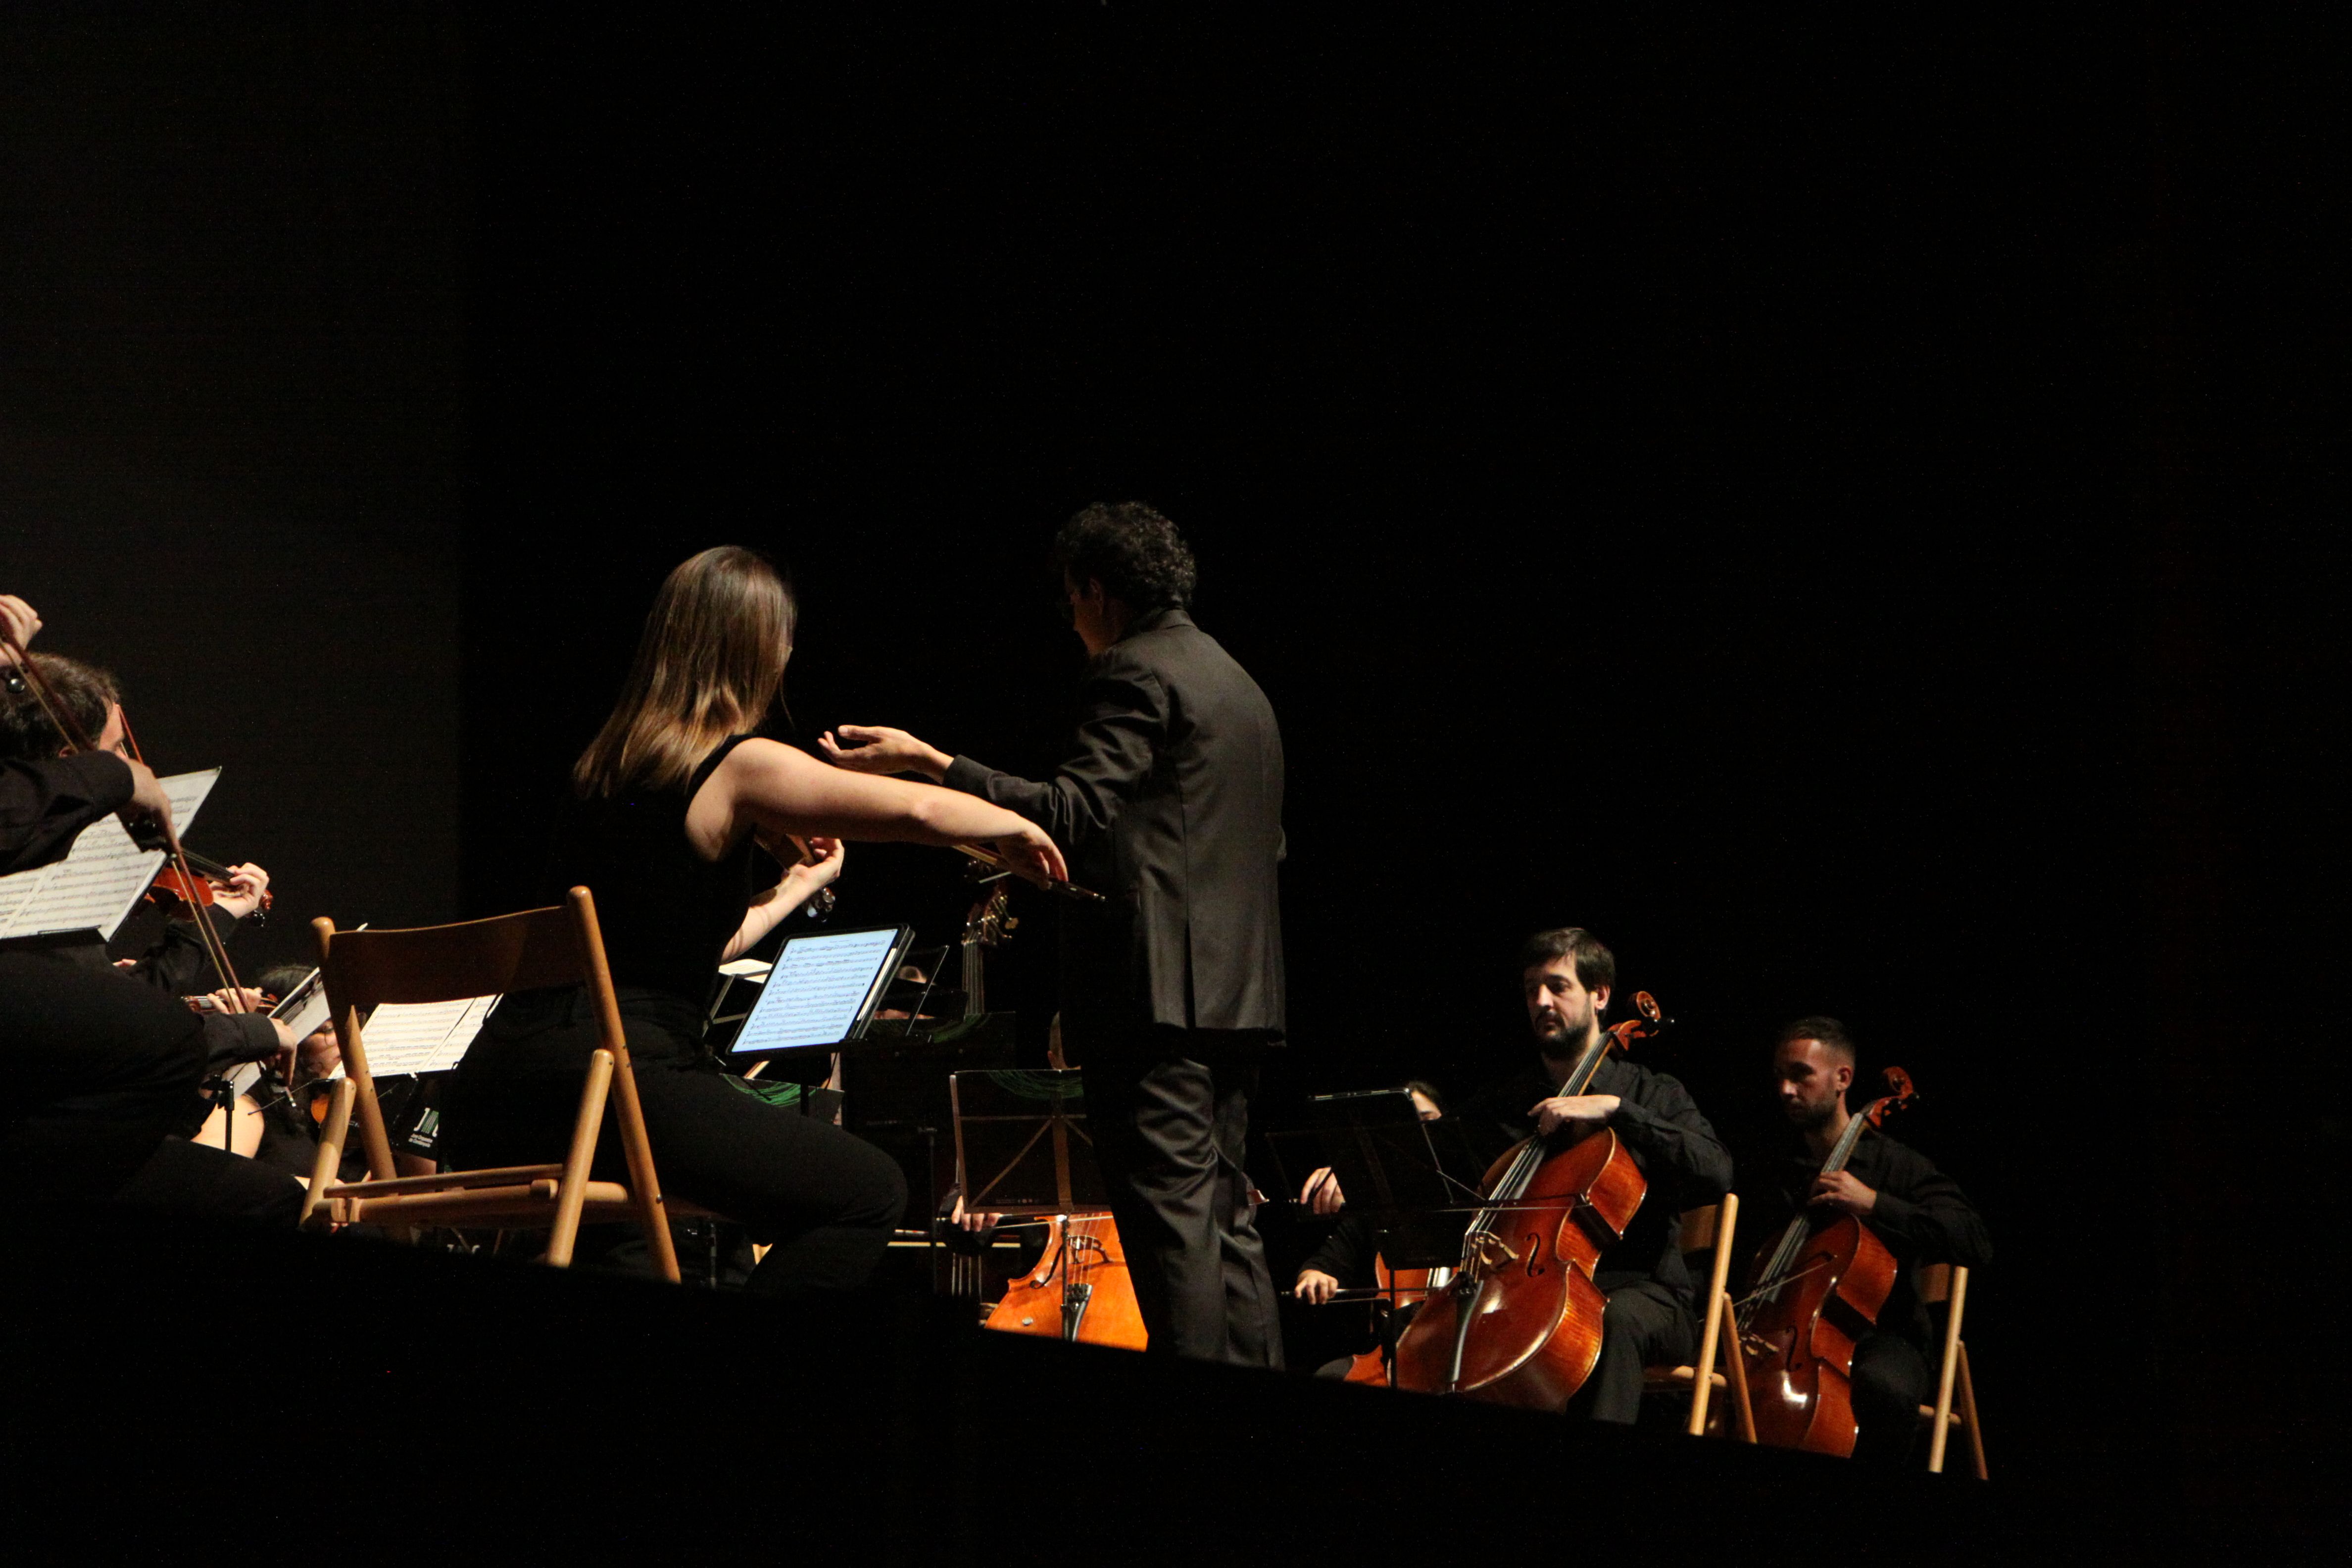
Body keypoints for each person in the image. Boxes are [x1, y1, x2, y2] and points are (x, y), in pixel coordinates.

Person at [439, 546, 1067, 1299]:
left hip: (498, 1093)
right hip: (616, 1086)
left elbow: (663, 955)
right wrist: (1012, 825)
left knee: (643, 1245)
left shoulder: (601, 769)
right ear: (763, 647)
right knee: (866, 1191)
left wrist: (796, 888)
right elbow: (917, 810)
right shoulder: (737, 764)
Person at [820, 502, 1287, 1365]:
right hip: (1239, 997)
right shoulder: (1240, 685)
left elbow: (1071, 812)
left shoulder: (1137, 670)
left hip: (1153, 1002)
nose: (1071, 623)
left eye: (1071, 603)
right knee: (1227, 1223)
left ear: (1096, 591)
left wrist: (933, 764)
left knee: (1174, 1234)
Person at [0, 596, 301, 1223]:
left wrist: (214, 922)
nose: (134, 766)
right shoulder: (32, 851)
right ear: (70, 766)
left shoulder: (55, 857)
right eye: (115, 751)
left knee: (272, 1194)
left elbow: (109, 997)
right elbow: (131, 1017)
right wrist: (241, 1031)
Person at [1448, 927, 1732, 1421]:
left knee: (1609, 1320)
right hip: (1531, 1289)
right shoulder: (1509, 1100)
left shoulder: (1652, 1093)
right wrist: (1353, 1171)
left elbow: (1717, 1171)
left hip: (1647, 1296)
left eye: (1558, 986)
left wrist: (1618, 1111)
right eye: (1532, 989)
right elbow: (1438, 1155)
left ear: (1600, 995)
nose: (1541, 1001)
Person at [1745, 1016, 1992, 1464]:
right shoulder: (1779, 1169)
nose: (1785, 1090)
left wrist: (1875, 1203)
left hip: (1882, 1338)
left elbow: (1973, 1239)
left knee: (1882, 1385)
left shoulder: (1897, 1166)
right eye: (1780, 1076)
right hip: (1786, 1339)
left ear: (1843, 1079)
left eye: (1801, 1075)